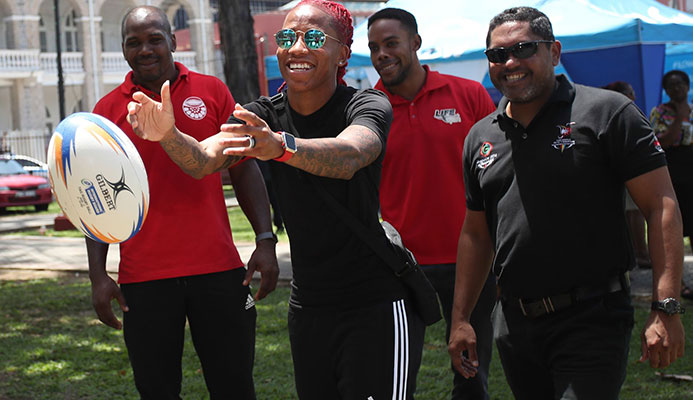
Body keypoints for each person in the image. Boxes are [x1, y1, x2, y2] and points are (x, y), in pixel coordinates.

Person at [124, 1, 426, 399]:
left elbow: (352, 155)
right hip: (308, 307)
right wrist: (169, 136)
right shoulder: (260, 115)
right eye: (287, 37)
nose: (296, 47)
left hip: (374, 303)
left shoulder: (365, 105)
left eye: (314, 38)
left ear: (343, 54)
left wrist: (281, 147)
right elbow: (203, 162)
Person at [448, 7, 685, 400]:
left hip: (592, 316)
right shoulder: (480, 137)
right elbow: (476, 234)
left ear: (554, 52)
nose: (510, 62)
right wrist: (460, 319)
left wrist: (666, 306)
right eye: (497, 55)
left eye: (524, 48)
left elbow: (661, 206)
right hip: (514, 323)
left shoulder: (607, 112)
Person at [86, 6, 279, 399]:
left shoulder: (212, 92)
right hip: (144, 279)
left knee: (235, 387)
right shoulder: (107, 113)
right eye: (134, 42)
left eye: (155, 38)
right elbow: (95, 201)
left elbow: (244, 169)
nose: (145, 49)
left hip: (220, 270)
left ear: (173, 41)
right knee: (157, 391)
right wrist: (98, 275)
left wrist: (265, 239)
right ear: (123, 50)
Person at [367, 8, 496, 400]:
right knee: (395, 378)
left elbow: (499, 174)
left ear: (416, 44)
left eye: (391, 44)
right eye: (374, 47)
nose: (382, 54)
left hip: (472, 259)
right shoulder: (365, 109)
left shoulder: (467, 94)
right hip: (401, 265)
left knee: (472, 376)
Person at [650, 70, 693, 300]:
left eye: (680, 85)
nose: (677, 89)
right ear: (665, 90)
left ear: (687, 86)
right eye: (671, 86)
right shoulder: (659, 113)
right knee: (675, 227)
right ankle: (680, 283)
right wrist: (679, 116)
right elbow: (662, 142)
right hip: (672, 173)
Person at [602, 81, 652, 269]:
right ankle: (641, 253)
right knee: (634, 212)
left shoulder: (608, 113)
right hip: (627, 170)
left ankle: (637, 252)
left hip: (617, 172)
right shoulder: (624, 113)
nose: (634, 96)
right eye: (631, 92)